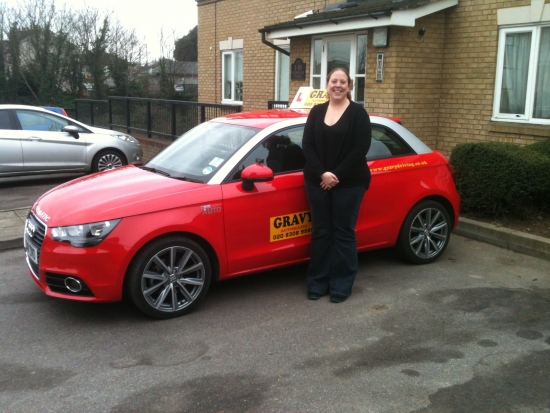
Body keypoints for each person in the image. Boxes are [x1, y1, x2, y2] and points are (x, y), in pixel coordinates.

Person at [301, 67, 372, 303]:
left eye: (343, 82)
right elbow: (307, 146)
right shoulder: (316, 111)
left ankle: (341, 285)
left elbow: (360, 149)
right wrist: (322, 174)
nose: (338, 85)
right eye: (334, 81)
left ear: (349, 86)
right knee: (321, 232)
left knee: (343, 233)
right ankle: (318, 283)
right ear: (327, 85)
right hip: (317, 181)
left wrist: (335, 176)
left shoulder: (358, 113)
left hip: (350, 183)